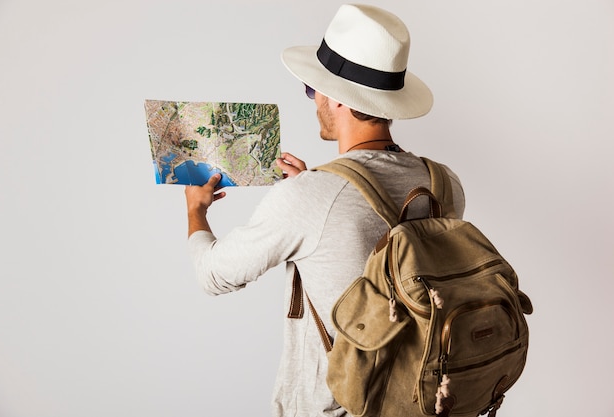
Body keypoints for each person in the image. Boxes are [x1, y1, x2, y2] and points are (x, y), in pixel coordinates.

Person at [184, 4, 465, 416]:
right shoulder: (445, 183)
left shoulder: (312, 198)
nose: (313, 98)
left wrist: (197, 212)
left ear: (336, 99)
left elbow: (214, 274)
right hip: (423, 401)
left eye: (312, 89)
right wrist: (310, 190)